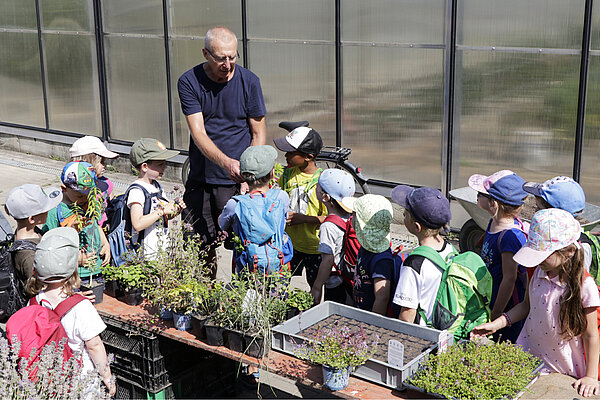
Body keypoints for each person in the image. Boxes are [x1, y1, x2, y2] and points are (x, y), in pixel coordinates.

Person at [471, 208, 600, 398]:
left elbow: (591, 336)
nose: (536, 261)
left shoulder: (584, 286)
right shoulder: (538, 271)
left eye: (541, 255)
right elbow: (526, 306)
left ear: (569, 252)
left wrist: (591, 377)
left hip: (563, 367)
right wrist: (496, 324)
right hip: (529, 355)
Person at [178, 26, 266, 278]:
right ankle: (206, 296)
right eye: (221, 58)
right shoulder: (189, 81)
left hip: (237, 181)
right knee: (200, 244)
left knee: (242, 247)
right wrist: (226, 162)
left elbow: (258, 134)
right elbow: (199, 133)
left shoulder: (249, 82)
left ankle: (235, 300)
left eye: (233, 57)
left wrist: (249, 176)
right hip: (202, 178)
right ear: (206, 54)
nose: (228, 64)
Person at [26, 227, 115, 397]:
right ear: (73, 269)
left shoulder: (33, 302)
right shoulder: (81, 306)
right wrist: (107, 376)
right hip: (81, 381)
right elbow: (94, 346)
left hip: (49, 378)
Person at [468, 169, 528, 343]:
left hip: (505, 307)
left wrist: (495, 315)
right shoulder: (494, 221)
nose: (477, 197)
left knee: (502, 344)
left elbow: (509, 279)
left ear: (494, 203)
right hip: (490, 294)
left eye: (480, 194)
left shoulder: (510, 236)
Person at [218, 145, 291, 274]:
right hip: (277, 262)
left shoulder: (235, 204)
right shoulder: (281, 197)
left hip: (247, 265)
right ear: (272, 173)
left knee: (245, 291)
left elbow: (222, 224)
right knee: (275, 292)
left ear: (242, 175)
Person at [390, 185, 455, 325]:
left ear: (416, 226)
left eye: (405, 214)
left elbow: (407, 314)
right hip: (445, 327)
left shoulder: (414, 264)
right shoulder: (450, 249)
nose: (403, 216)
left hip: (424, 334)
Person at [274, 126, 326, 287]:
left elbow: (331, 218)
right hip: (289, 243)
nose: (286, 155)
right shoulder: (288, 175)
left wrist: (304, 219)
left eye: (291, 152)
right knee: (280, 283)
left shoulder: (323, 181)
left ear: (308, 156)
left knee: (314, 285)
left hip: (314, 248)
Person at [43, 161, 111, 283]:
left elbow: (95, 224)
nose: (85, 199)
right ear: (64, 189)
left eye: (89, 194)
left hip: (97, 269)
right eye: (80, 196)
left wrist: (105, 243)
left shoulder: (89, 203)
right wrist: (76, 259)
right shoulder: (55, 211)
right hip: (75, 273)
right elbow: (49, 246)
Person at [127, 138, 185, 259]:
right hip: (144, 254)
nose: (165, 167)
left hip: (159, 250)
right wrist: (162, 211)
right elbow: (137, 224)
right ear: (144, 166)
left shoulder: (157, 186)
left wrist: (175, 209)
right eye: (160, 164)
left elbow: (164, 217)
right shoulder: (137, 191)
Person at [4, 184, 63, 300]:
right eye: (45, 209)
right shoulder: (28, 255)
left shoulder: (31, 232)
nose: (49, 210)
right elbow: (38, 289)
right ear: (32, 219)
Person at [310, 169, 355, 305]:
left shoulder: (328, 226)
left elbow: (328, 260)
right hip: (351, 278)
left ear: (325, 197)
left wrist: (317, 287)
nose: (316, 188)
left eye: (318, 186)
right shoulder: (352, 217)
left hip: (335, 283)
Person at [347, 194, 394, 315]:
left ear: (361, 224)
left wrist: (372, 326)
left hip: (369, 317)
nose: (350, 217)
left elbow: (382, 298)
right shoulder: (367, 245)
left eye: (353, 214)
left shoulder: (381, 260)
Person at [69, 136, 119, 228]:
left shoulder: (106, 183)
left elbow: (112, 205)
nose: (105, 165)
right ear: (86, 162)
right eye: (101, 162)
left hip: (103, 230)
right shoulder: (72, 186)